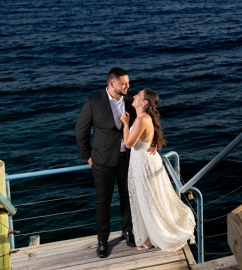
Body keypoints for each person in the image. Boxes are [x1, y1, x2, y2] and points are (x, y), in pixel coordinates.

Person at [120, 88, 195, 251]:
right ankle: (149, 236)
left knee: (149, 199)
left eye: (138, 95)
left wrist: (125, 124)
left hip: (145, 164)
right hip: (143, 162)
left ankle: (154, 237)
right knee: (147, 199)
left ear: (145, 102)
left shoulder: (141, 120)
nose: (134, 96)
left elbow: (128, 143)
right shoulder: (143, 117)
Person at [75, 67, 137, 258]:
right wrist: (88, 157)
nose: (127, 86)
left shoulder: (132, 99)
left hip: (127, 158)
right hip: (102, 161)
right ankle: (103, 241)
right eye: (123, 83)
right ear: (111, 84)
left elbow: (145, 120)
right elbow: (80, 131)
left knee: (128, 197)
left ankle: (128, 231)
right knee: (103, 201)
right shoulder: (93, 102)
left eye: (128, 83)